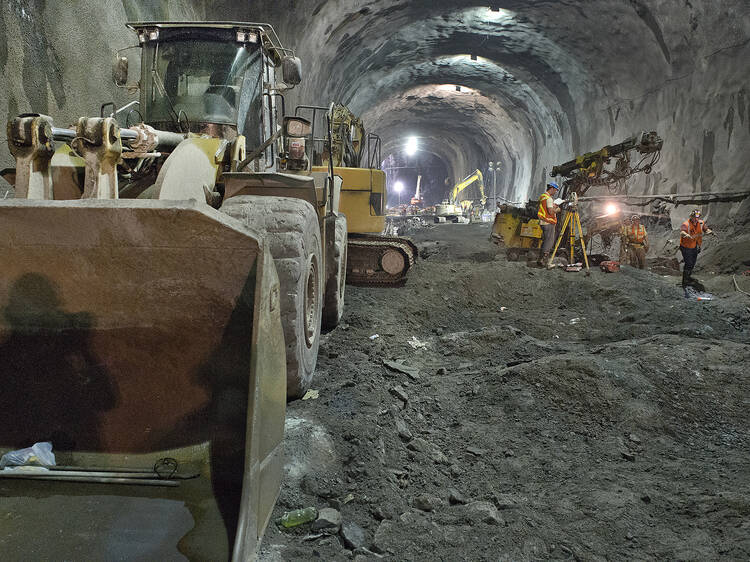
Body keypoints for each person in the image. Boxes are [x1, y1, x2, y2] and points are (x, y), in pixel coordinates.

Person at [679, 209, 714, 287]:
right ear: (691, 216)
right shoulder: (686, 224)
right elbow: (682, 232)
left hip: (695, 246)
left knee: (692, 263)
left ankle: (688, 277)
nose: (696, 219)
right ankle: (685, 281)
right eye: (695, 217)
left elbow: (705, 229)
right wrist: (685, 234)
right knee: (689, 263)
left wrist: (709, 231)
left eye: (697, 217)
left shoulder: (701, 223)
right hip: (686, 247)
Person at [537, 182, 561, 266]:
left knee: (545, 241)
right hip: (548, 222)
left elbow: (545, 208)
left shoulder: (543, 196)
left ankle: (540, 260)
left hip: (543, 222)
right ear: (552, 188)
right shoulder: (549, 199)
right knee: (549, 242)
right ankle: (544, 261)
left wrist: (553, 206)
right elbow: (550, 212)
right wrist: (557, 209)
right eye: (555, 190)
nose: (555, 192)